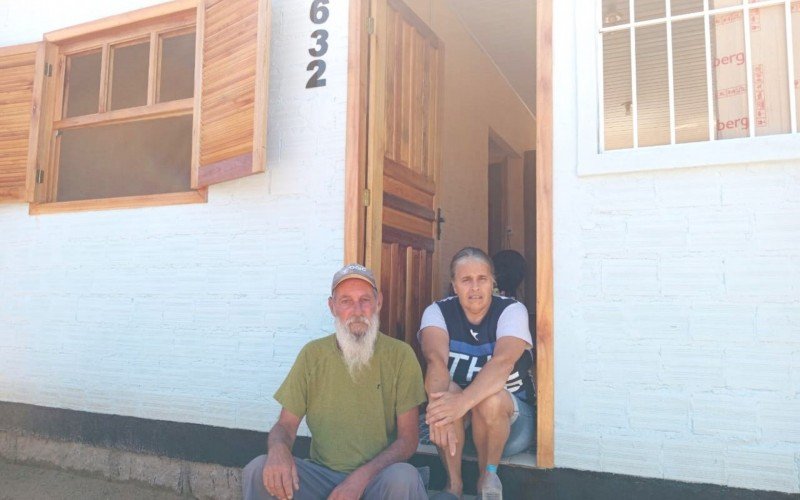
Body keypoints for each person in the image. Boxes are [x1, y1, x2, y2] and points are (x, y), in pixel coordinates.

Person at [242, 263, 428, 500]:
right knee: (259, 470)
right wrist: (278, 450)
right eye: (346, 301)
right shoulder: (313, 355)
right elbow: (285, 426)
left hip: (377, 478)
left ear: (378, 303)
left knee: (405, 478)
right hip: (321, 477)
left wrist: (359, 479)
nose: (357, 310)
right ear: (332, 307)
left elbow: (408, 439)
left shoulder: (401, 355)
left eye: (365, 300)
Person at [419, 247, 534, 499]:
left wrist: (459, 404)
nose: (474, 288)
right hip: (463, 426)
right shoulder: (438, 312)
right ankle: (454, 485)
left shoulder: (511, 310)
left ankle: (487, 477)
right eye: (466, 280)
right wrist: (442, 410)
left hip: (511, 425)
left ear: (493, 282)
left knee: (489, 397)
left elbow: (503, 363)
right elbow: (435, 361)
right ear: (454, 285)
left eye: (482, 279)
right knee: (442, 392)